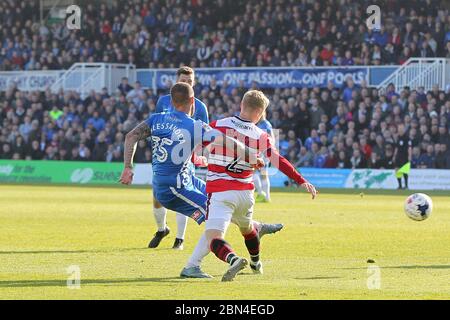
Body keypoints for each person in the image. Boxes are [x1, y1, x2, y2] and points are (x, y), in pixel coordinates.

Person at [120, 84, 283, 278]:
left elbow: (131, 136)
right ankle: (194, 266)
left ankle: (253, 226)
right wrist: (249, 154)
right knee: (214, 218)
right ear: (192, 102)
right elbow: (224, 140)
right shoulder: (193, 126)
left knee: (219, 202)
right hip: (174, 188)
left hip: (184, 180)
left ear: (171, 101)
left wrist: (128, 167)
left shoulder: (156, 119)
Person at [182, 90, 318, 282]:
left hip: (221, 193)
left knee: (214, 237)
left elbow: (195, 144)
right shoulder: (261, 135)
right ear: (261, 113)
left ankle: (234, 259)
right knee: (248, 228)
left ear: (241, 105)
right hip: (245, 195)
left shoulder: (219, 125)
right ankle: (256, 263)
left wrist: (198, 158)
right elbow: (278, 160)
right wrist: (301, 180)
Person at [149, 66, 209, 250]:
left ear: (194, 83)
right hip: (163, 157)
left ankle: (179, 239)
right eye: (183, 80)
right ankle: (161, 229)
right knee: (157, 197)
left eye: (189, 81)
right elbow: (156, 127)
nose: (186, 83)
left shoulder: (199, 106)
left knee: (182, 191)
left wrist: (198, 154)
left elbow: (204, 134)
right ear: (176, 81)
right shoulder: (163, 102)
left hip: (184, 157)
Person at [253, 111, 274, 202]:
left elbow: (269, 138)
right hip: (258, 151)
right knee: (255, 172)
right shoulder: (259, 124)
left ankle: (265, 195)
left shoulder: (265, 124)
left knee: (262, 174)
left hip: (263, 151)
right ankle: (262, 194)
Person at [394, 124, 412, 189]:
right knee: (397, 170)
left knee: (404, 170)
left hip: (405, 156)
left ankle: (406, 185)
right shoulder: (398, 137)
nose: (400, 130)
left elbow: (409, 147)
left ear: (404, 129)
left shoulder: (407, 138)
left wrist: (410, 156)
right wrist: (394, 156)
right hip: (398, 156)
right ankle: (400, 185)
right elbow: (396, 147)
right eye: (399, 128)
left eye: (401, 129)